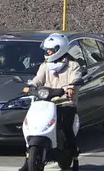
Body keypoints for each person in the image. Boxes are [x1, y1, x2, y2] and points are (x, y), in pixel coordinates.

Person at [26, 34, 81, 163]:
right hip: (46, 103)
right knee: (35, 123)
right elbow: (38, 79)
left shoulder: (73, 65)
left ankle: (73, 152)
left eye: (50, 50)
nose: (48, 52)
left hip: (65, 102)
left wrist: (70, 87)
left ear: (60, 49)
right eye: (47, 50)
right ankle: (28, 159)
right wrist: (31, 86)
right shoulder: (45, 65)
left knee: (66, 126)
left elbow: (76, 78)